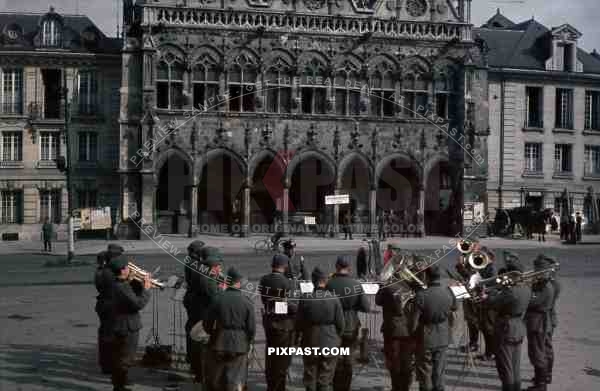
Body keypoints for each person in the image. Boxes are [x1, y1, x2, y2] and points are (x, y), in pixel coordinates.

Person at [482, 254, 531, 391]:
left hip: (506, 328)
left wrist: (486, 295)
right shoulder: (526, 288)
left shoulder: (511, 291)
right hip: (518, 327)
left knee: (505, 366)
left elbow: (493, 303)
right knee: (515, 365)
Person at [204, 267, 255, 391]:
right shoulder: (247, 302)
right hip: (239, 344)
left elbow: (207, 324)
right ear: (239, 282)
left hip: (219, 341)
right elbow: (251, 328)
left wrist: (213, 334)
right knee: (235, 379)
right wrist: (248, 341)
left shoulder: (218, 299)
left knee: (217, 378)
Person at [295, 267, 345, 391]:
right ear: (325, 281)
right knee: (325, 379)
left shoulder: (305, 298)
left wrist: (297, 339)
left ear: (313, 280)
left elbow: (298, 324)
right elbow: (341, 324)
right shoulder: (334, 299)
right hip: (330, 341)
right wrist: (337, 339)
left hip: (310, 341)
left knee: (310, 377)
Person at [325, 255, 370, 391]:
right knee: (348, 357)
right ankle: (346, 385)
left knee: (335, 357)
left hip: (333, 326)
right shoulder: (355, 284)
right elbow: (366, 307)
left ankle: (335, 384)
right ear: (349, 268)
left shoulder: (329, 283)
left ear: (337, 267)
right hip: (351, 325)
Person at [411, 264, 457, 391]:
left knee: (424, 372)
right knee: (439, 371)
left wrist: (412, 336)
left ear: (427, 276)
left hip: (426, 336)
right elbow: (455, 307)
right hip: (443, 335)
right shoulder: (448, 291)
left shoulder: (422, 295)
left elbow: (414, 322)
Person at [109, 255, 151, 391]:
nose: (129, 269)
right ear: (122, 271)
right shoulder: (122, 287)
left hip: (120, 324)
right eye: (127, 267)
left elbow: (131, 294)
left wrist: (135, 281)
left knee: (121, 357)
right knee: (125, 358)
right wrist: (147, 289)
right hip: (127, 326)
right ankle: (119, 387)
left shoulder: (119, 283)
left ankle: (120, 383)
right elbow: (138, 303)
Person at [376, 263, 421, 391]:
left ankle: (396, 387)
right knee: (407, 361)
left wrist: (381, 285)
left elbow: (377, 301)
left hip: (393, 330)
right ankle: (405, 386)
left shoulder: (388, 287)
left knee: (393, 361)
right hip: (409, 330)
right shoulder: (413, 286)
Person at [184, 244, 223, 385]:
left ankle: (197, 369)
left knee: (196, 341)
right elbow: (215, 297)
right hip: (203, 313)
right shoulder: (205, 276)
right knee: (203, 345)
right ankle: (201, 373)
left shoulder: (200, 269)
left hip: (196, 308)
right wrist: (221, 288)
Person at [259, 254, 298, 391]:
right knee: (282, 360)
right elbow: (293, 308)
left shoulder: (264, 279)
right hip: (283, 325)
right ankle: (279, 387)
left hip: (269, 322)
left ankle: (271, 386)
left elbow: (266, 301)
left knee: (270, 357)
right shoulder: (288, 283)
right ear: (285, 266)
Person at [525, 255, 555, 391]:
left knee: (538, 353)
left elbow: (532, 302)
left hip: (539, 323)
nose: (535, 272)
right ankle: (539, 380)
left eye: (537, 270)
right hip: (537, 322)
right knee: (536, 352)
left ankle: (541, 385)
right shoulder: (542, 284)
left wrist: (525, 290)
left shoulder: (546, 287)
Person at [95, 243, 125, 374]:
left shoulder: (101, 270)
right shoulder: (108, 273)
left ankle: (105, 363)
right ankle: (108, 365)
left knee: (105, 334)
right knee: (110, 336)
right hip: (110, 306)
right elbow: (118, 288)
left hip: (102, 305)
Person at [455, 252, 480, 353]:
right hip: (469, 296)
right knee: (471, 321)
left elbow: (469, 276)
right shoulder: (472, 268)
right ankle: (472, 342)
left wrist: (460, 265)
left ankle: (473, 343)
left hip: (473, 298)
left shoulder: (475, 269)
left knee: (473, 321)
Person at [544, 256, 561, 385]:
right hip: (546, 318)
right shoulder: (548, 281)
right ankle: (542, 373)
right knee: (541, 347)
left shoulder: (553, 283)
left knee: (546, 347)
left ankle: (547, 373)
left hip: (548, 318)